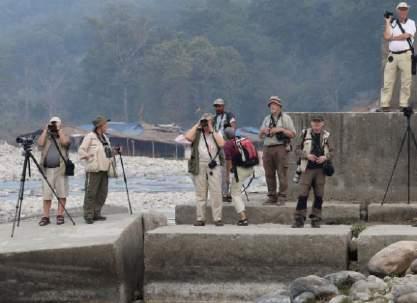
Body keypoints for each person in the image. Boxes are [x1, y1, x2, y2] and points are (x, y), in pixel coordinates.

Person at [292, 116, 334, 228]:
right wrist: (307, 156)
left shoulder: (327, 136)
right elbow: (296, 149)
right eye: (314, 122)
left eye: (318, 122)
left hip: (321, 169)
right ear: (311, 123)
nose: (316, 124)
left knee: (319, 195)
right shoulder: (304, 134)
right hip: (307, 168)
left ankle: (316, 219)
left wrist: (325, 158)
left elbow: (332, 152)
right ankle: (299, 220)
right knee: (302, 195)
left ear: (322, 123)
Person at [185, 113, 225, 226]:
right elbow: (187, 137)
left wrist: (211, 128)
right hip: (200, 164)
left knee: (216, 192)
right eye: (204, 122)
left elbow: (222, 144)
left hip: (214, 165)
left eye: (207, 122)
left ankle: (217, 219)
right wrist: (198, 124)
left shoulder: (216, 132)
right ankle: (200, 219)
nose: (205, 125)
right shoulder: (197, 133)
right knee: (200, 193)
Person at [78, 116, 117, 224]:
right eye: (105, 125)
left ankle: (97, 213)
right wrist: (87, 156)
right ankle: (88, 215)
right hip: (94, 169)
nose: (107, 126)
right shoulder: (90, 136)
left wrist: (115, 152)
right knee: (91, 192)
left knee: (102, 193)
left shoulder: (105, 137)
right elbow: (81, 150)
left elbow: (107, 152)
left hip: (105, 169)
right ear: (100, 126)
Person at [259, 96, 296, 205]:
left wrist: (280, 129)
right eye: (271, 105)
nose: (272, 106)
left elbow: (293, 134)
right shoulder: (266, 119)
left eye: (274, 104)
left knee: (282, 173)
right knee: (268, 173)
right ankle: (272, 196)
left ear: (280, 106)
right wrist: (264, 131)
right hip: (267, 148)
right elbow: (260, 136)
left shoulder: (286, 118)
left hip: (281, 148)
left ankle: (282, 197)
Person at [380, 2, 416, 112]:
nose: (403, 11)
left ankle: (403, 104)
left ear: (407, 11)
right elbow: (386, 36)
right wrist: (387, 21)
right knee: (387, 81)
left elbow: (407, 35)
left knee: (406, 81)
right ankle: (385, 104)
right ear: (397, 11)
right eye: (401, 9)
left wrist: (393, 38)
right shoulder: (392, 23)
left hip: (406, 54)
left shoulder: (411, 23)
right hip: (392, 55)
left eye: (405, 9)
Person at [37, 116, 70, 226]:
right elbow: (40, 144)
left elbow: (65, 143)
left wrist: (59, 130)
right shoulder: (46, 136)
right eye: (52, 124)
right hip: (47, 170)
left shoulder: (63, 135)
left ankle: (60, 215)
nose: (53, 126)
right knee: (47, 195)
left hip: (60, 169)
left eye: (55, 124)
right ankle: (45, 217)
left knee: (62, 193)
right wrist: (46, 130)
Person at [223, 127, 257, 226]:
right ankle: (242, 211)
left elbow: (228, 161)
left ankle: (243, 218)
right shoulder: (241, 139)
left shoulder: (227, 145)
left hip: (240, 170)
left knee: (235, 193)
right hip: (250, 168)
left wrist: (227, 175)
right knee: (236, 188)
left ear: (225, 136)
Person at [212, 98, 237, 203]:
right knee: (217, 170)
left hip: (225, 143)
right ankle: (220, 192)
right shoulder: (214, 118)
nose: (217, 108)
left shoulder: (228, 115)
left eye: (219, 106)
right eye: (216, 106)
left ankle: (227, 193)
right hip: (215, 144)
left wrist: (231, 130)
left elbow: (233, 125)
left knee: (226, 169)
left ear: (223, 106)